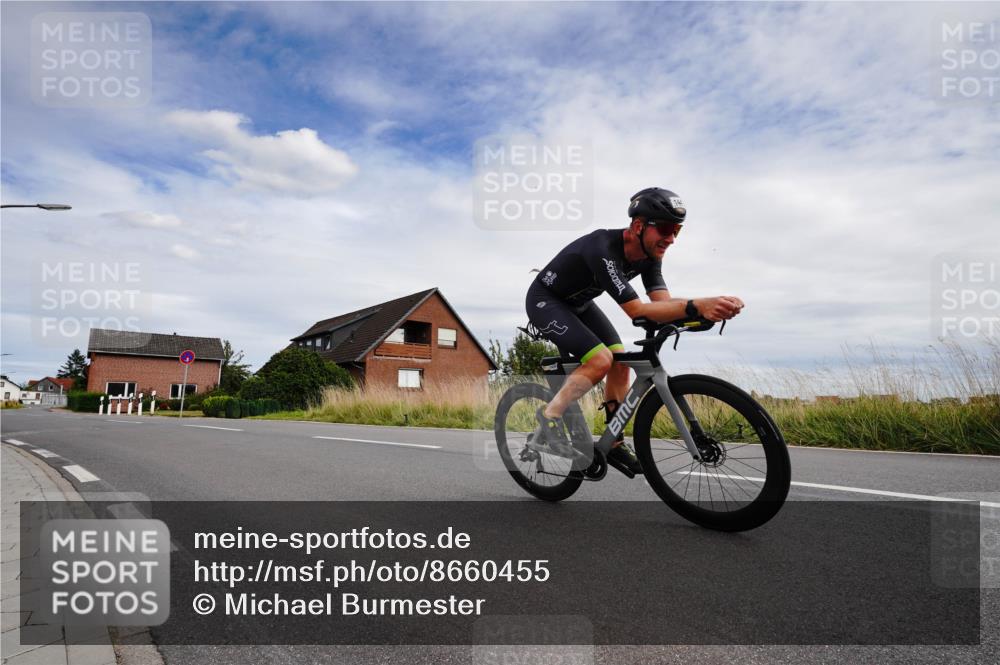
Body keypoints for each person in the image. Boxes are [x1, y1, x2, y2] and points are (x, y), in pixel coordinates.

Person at [525, 187, 745, 474]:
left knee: (620, 360)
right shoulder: (603, 248)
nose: (671, 239)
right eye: (665, 229)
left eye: (676, 231)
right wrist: (696, 306)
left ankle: (613, 443)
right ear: (639, 226)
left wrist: (705, 307)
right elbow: (637, 311)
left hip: (579, 304)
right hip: (546, 300)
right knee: (600, 360)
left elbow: (662, 304)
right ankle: (548, 417)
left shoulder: (651, 256)